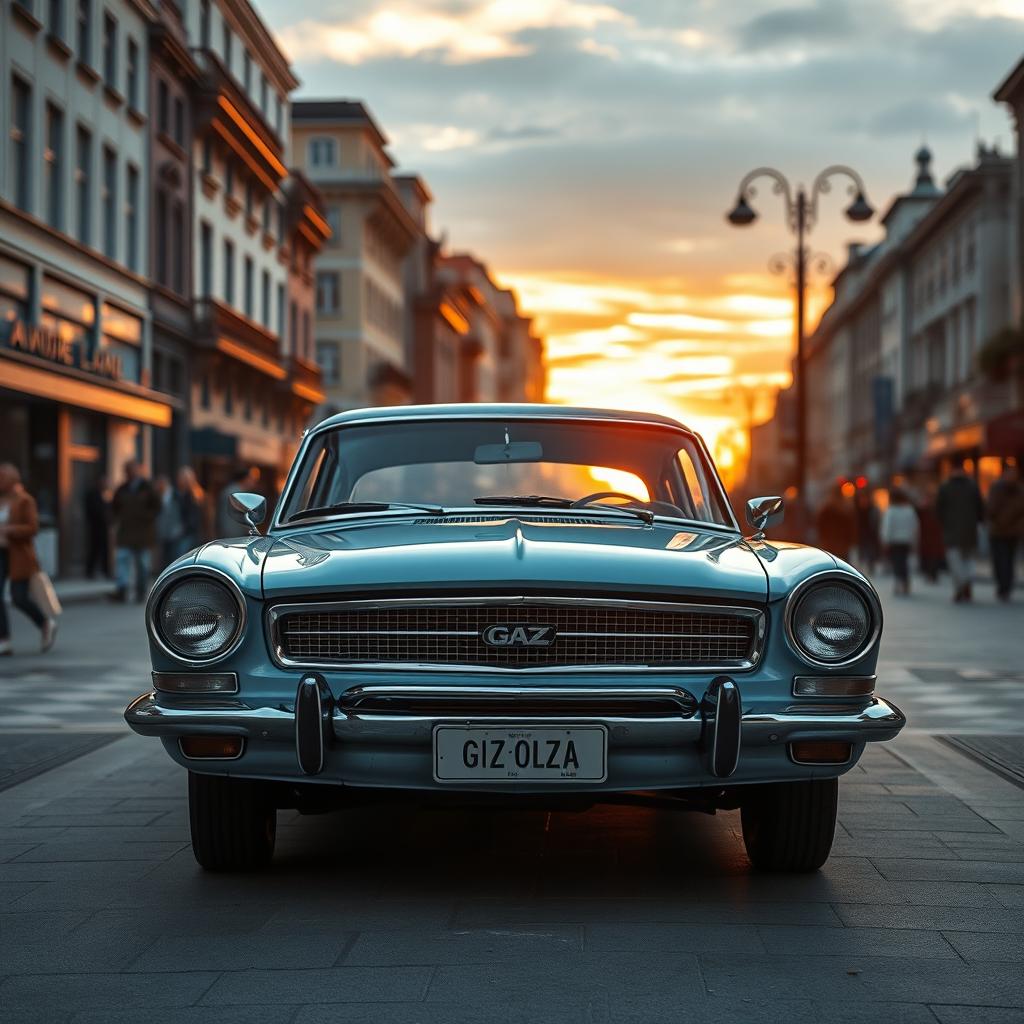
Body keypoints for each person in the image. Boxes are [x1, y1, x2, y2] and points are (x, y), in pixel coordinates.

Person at [0, 463, 57, 655]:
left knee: (19, 597)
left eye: (2, 476)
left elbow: (33, 528)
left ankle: (44, 623)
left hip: (19, 555)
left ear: (12, 479)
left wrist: (10, 530)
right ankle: (4, 639)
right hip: (1, 553)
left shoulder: (25, 500)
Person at [110, 460, 161, 603]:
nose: (129, 473)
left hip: (143, 534)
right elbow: (114, 508)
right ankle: (121, 590)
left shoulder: (147, 488)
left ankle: (141, 591)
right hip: (126, 533)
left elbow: (157, 508)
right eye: (127, 470)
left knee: (143, 565)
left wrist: (144, 516)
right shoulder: (122, 489)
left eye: (131, 470)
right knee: (122, 561)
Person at [936, 458, 985, 603]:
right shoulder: (972, 485)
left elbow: (938, 509)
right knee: (967, 560)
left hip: (952, 530)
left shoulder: (945, 487)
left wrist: (944, 522)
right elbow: (980, 507)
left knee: (955, 561)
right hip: (969, 529)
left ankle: (961, 586)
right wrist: (979, 521)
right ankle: (965, 586)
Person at [987, 463, 1024, 602]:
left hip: (1011, 531)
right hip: (998, 531)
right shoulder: (997, 488)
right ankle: (1003, 586)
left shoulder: (1019, 490)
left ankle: (1006, 587)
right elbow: (991, 508)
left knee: (1008, 560)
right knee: (1000, 560)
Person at [881, 487, 919, 596]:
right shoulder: (909, 510)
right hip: (906, 540)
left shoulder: (891, 511)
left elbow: (887, 527)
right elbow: (914, 526)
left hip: (894, 541)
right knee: (904, 561)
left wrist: (885, 540)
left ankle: (898, 581)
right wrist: (914, 540)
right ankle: (905, 581)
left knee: (897, 561)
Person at [816, 484, 856, 562]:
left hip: (831, 545)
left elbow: (820, 527)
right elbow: (851, 528)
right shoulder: (845, 510)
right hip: (840, 546)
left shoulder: (826, 510)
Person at [216, 465, 259, 538]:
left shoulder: (233, 490)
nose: (254, 482)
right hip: (231, 537)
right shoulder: (236, 494)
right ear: (245, 478)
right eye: (252, 479)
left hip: (231, 536)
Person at [84, 475, 112, 578]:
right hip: (95, 526)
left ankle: (106, 571)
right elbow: (92, 510)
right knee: (94, 549)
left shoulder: (107, 494)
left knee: (105, 549)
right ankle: (90, 571)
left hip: (104, 527)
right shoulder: (92, 494)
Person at [916, 485, 945, 583]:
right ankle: (929, 574)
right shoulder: (923, 509)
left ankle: (933, 574)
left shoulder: (938, 509)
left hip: (934, 537)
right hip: (926, 537)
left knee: (933, 556)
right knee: (928, 556)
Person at [854, 488, 880, 576]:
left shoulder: (872, 509)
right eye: (862, 499)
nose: (863, 501)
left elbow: (876, 522)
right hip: (860, 535)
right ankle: (861, 568)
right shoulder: (856, 510)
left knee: (870, 552)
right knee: (861, 552)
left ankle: (870, 567)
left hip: (870, 535)